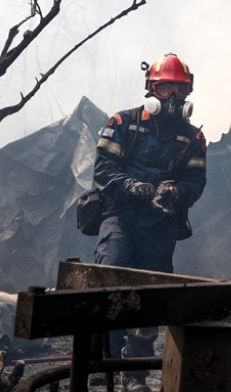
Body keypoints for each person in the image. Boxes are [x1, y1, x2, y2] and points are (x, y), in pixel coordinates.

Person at [91, 52, 207, 392]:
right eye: (166, 88)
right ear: (151, 90)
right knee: (110, 274)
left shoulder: (193, 138)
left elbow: (196, 182)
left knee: (151, 295)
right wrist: (133, 186)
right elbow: (102, 169)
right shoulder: (121, 123)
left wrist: (173, 190)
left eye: (180, 90)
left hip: (160, 224)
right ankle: (106, 362)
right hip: (120, 215)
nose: (173, 98)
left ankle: (134, 374)